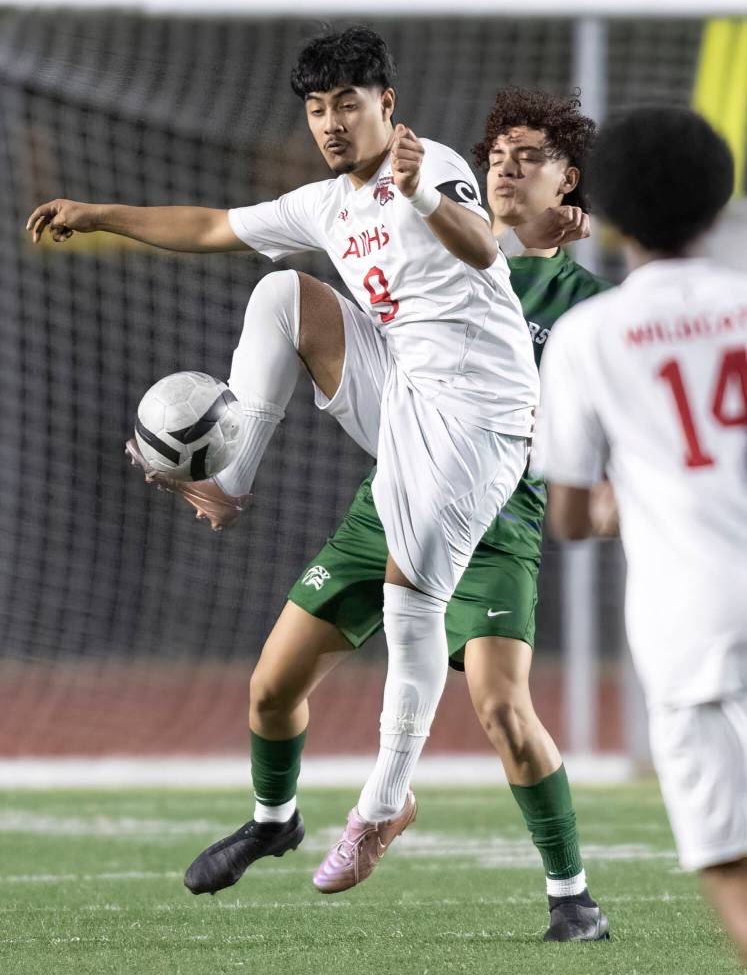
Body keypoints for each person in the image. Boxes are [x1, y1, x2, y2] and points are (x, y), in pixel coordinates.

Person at [27, 28, 581, 896]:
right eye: (317, 108)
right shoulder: (328, 204)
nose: (330, 122)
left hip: (482, 416)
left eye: (347, 104)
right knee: (282, 293)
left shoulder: (426, 164)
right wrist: (99, 213)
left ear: (385, 106)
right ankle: (227, 481)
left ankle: (382, 805)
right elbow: (212, 224)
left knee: (410, 600)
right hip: (401, 389)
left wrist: (422, 197)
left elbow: (478, 244)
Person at [182, 88, 610, 942]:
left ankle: (571, 897)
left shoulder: (582, 307)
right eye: (498, 152)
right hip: (393, 499)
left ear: (570, 186)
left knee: (502, 708)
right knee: (271, 689)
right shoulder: (438, 237)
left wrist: (616, 506)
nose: (504, 163)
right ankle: (276, 819)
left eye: (531, 157)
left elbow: (590, 453)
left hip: (497, 527)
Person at [533, 104, 747, 962]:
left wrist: (630, 497)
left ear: (608, 213)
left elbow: (573, 519)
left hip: (686, 621)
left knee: (727, 852)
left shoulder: (588, 336)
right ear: (720, 201)